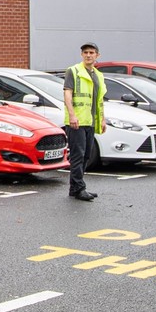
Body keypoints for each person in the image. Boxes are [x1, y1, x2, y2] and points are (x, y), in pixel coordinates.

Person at [62, 42, 106, 202]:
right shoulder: (73, 71)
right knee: (77, 155)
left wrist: (102, 119)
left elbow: (99, 100)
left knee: (86, 155)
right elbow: (68, 95)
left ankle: (75, 188)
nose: (88, 55)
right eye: (86, 52)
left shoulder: (98, 75)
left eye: (92, 52)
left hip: (90, 121)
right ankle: (80, 188)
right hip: (77, 121)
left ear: (97, 55)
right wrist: (72, 115)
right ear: (82, 55)